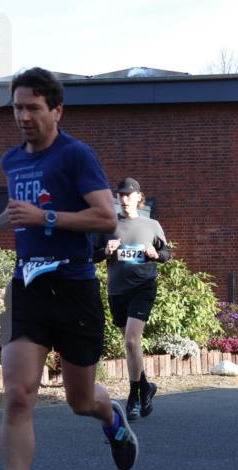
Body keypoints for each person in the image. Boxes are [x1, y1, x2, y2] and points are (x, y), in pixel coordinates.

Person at [0, 67, 139, 470]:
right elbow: (19, 211)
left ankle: (112, 419)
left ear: (56, 110)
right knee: (18, 394)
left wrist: (45, 219)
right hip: (28, 286)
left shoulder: (76, 156)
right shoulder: (12, 161)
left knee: (79, 400)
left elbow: (106, 218)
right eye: (16, 107)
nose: (23, 116)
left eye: (32, 107)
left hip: (74, 287)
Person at [93, 177, 169, 420]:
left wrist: (156, 254)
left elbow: (166, 253)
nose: (124, 199)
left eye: (129, 194)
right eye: (121, 195)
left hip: (143, 287)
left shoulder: (152, 224)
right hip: (118, 291)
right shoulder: (108, 226)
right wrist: (105, 251)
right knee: (130, 345)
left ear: (139, 197)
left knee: (131, 342)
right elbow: (91, 255)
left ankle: (134, 396)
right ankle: (146, 387)